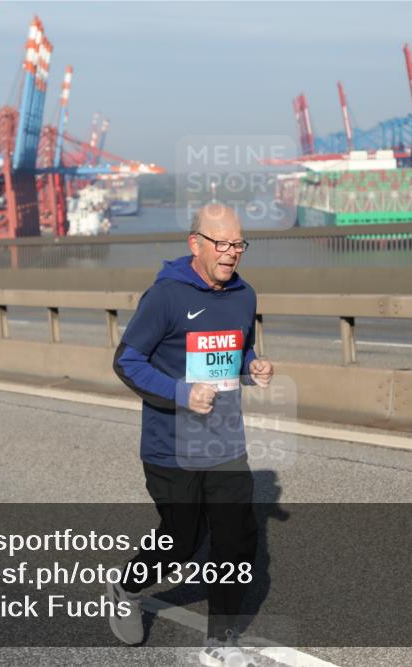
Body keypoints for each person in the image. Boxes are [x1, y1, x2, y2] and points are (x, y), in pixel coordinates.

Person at [108, 203, 274, 667]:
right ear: (195, 243)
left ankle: (221, 644)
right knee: (181, 541)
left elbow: (237, 350)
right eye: (221, 243)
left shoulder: (245, 296)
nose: (231, 253)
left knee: (237, 541)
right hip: (171, 446)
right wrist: (181, 393)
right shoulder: (164, 297)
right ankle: (126, 588)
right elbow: (126, 362)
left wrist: (252, 367)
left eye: (238, 243)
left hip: (225, 443)